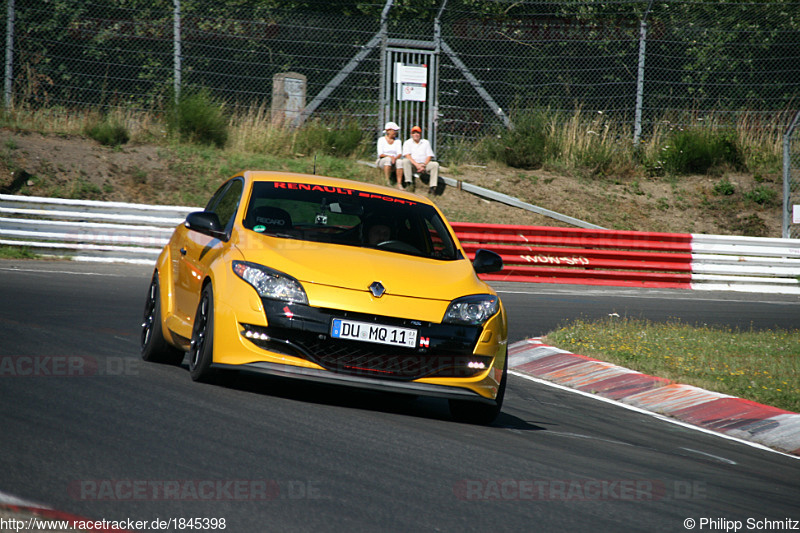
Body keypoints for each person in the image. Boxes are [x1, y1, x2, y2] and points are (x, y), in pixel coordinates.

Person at [402, 125, 440, 195]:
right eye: (414, 133)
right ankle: (408, 183)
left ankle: (432, 188)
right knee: (405, 161)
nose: (416, 135)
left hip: (423, 165)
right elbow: (407, 155)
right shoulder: (407, 143)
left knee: (435, 164)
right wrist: (417, 165)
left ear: (420, 134)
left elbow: (429, 155)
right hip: (413, 165)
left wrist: (424, 165)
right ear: (411, 134)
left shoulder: (426, 142)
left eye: (418, 133)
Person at [376, 121, 406, 190]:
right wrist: (390, 157)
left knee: (400, 162)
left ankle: (399, 184)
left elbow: (399, 153)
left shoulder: (398, 141)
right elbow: (381, 154)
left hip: (394, 160)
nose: (395, 132)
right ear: (388, 131)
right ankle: (387, 181)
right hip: (383, 160)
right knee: (388, 160)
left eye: (396, 131)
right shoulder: (381, 140)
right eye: (394, 130)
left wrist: (395, 158)